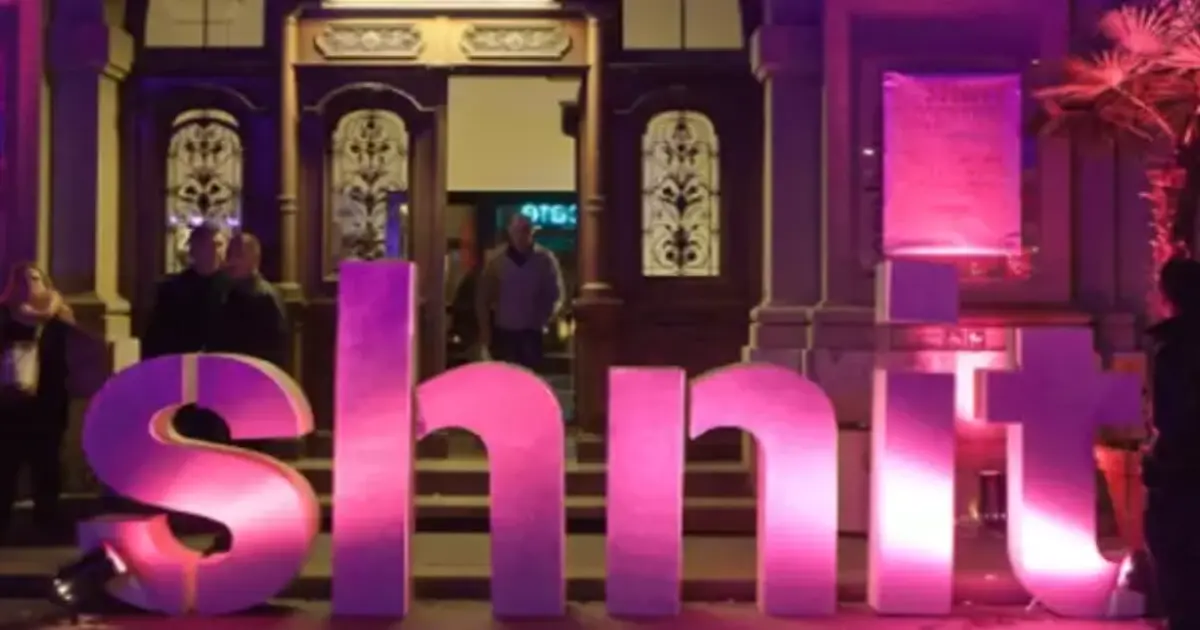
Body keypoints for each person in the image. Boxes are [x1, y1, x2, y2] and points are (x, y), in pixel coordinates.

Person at [142, 222, 233, 554]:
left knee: (218, 446)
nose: (214, 252)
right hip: (181, 378)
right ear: (193, 249)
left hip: (221, 382)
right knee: (183, 445)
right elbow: (157, 334)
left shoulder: (232, 287)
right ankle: (183, 509)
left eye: (219, 245)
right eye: (208, 245)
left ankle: (214, 509)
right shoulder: (173, 289)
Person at [1143, 256, 1200, 628]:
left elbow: (1171, 416)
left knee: (1181, 575)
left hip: (1182, 476)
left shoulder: (1174, 350)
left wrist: (1157, 461)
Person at [0, 262, 75, 543]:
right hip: (9, 405)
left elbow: (71, 357)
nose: (30, 285)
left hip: (47, 403)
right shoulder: (4, 316)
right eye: (23, 280)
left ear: (46, 283)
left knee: (46, 466)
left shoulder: (58, 317)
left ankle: (47, 522)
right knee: (6, 466)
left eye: (35, 278)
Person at [475, 214, 564, 371]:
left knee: (529, 376)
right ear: (510, 231)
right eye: (517, 230)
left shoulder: (545, 260)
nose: (521, 235)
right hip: (504, 333)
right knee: (505, 377)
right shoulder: (497, 261)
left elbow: (555, 295)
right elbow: (483, 297)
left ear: (532, 232)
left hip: (532, 332)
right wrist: (485, 331)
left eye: (525, 230)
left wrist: (544, 319)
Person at [213, 232, 288, 369]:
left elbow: (274, 351)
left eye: (238, 255)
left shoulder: (265, 297)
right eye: (229, 254)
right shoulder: (228, 293)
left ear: (254, 259)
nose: (231, 261)